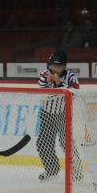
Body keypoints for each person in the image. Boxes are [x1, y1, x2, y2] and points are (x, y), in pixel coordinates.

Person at [36, 50, 82, 181]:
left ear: (64, 67)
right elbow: (41, 85)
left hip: (63, 114)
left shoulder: (71, 76)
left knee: (66, 143)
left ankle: (76, 172)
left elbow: (76, 93)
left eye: (59, 66)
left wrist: (60, 84)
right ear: (49, 65)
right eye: (53, 66)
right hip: (47, 114)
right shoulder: (44, 74)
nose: (55, 69)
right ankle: (51, 170)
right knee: (43, 143)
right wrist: (49, 80)